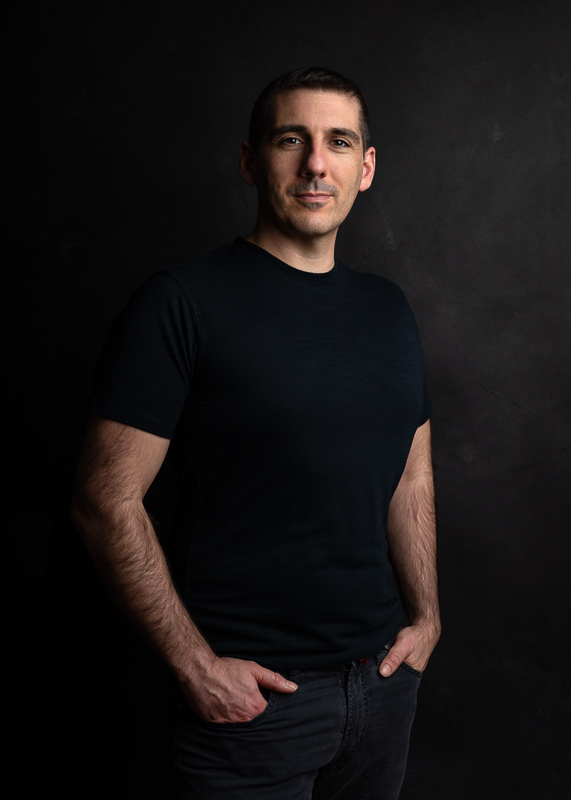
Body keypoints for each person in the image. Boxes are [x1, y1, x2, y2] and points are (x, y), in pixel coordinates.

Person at [71, 66, 441, 799]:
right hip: (253, 708)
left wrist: (427, 620)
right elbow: (103, 499)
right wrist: (193, 664)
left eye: (338, 142)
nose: (314, 162)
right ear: (249, 161)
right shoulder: (181, 303)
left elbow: (411, 475)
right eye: (289, 139)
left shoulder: (387, 310)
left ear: (363, 168)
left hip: (382, 687)